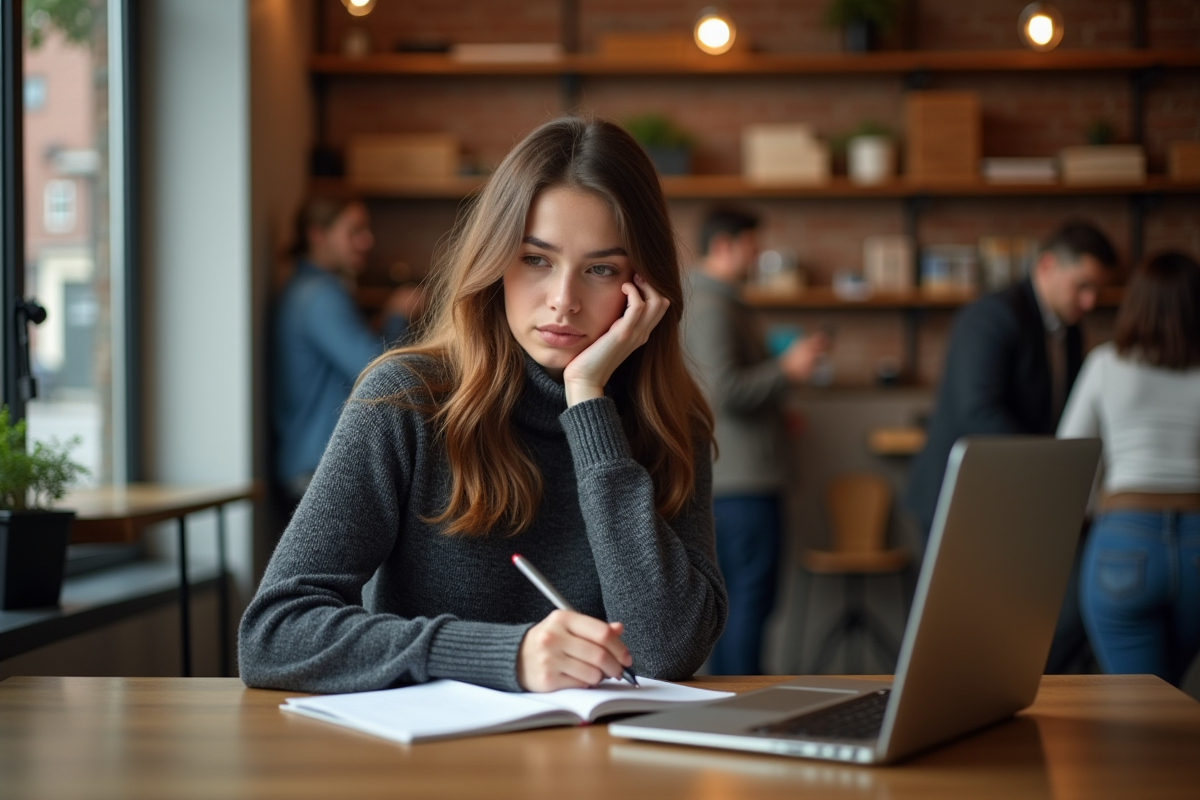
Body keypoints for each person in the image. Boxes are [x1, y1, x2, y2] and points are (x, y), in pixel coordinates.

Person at [240, 117, 728, 695]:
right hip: (428, 769)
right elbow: (273, 634)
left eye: (601, 269)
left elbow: (667, 649)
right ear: (495, 260)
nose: (563, 301)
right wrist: (505, 655)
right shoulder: (407, 399)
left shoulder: (671, 422)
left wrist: (588, 404)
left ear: (642, 287)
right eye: (536, 259)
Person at [904, 220, 1118, 673]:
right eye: (1083, 286)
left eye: (1097, 290)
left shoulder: (1072, 328)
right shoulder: (992, 316)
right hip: (960, 498)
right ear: (1046, 265)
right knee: (959, 636)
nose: (1091, 302)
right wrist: (1055, 468)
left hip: (1014, 497)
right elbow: (978, 413)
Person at [682, 207, 827, 675]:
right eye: (751, 245)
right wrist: (787, 369)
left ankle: (733, 707)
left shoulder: (715, 303)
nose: (757, 255)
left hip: (737, 479)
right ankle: (740, 708)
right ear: (723, 245)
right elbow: (723, 392)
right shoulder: (712, 307)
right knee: (748, 604)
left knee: (741, 604)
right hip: (741, 483)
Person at [1058, 251, 1200, 686]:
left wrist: (1089, 517)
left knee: (1138, 702)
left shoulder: (1104, 364)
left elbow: (1070, 462)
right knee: (1170, 694)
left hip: (1122, 538)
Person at [271, 195, 422, 503]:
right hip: (314, 470)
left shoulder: (301, 290)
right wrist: (397, 314)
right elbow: (378, 372)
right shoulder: (320, 296)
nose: (367, 240)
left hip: (301, 465)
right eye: (354, 231)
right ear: (318, 235)